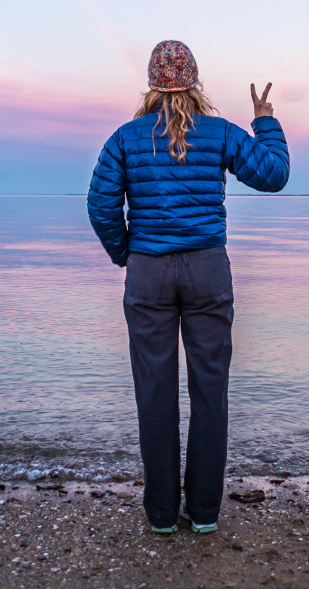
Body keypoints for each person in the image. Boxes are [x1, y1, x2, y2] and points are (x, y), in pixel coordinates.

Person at [87, 39, 290, 535]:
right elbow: (274, 175)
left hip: (149, 274)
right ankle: (203, 513)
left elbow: (100, 207)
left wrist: (128, 254)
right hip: (207, 271)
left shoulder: (124, 138)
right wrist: (264, 120)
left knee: (154, 395)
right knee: (210, 392)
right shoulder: (220, 133)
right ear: (194, 83)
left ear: (152, 85)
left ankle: (160, 514)